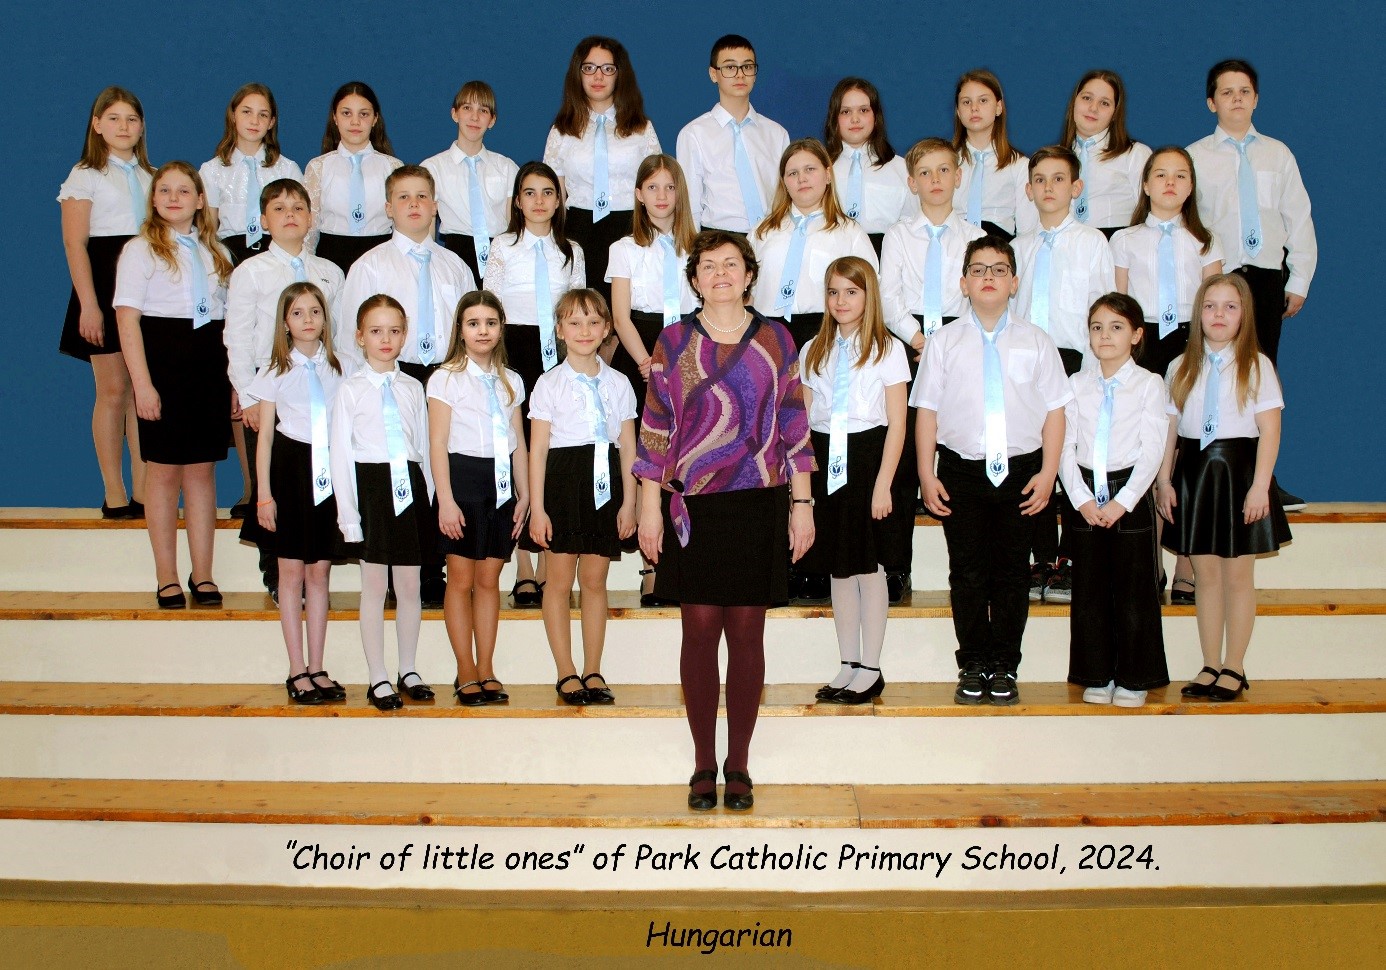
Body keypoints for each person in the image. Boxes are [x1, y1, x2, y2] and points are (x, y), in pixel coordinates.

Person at [634, 230, 814, 811]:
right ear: (694, 279)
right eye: (708, 266)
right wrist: (649, 508)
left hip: (759, 502)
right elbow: (655, 430)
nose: (720, 274)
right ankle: (702, 763)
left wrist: (803, 506)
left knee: (746, 634)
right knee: (699, 631)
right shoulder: (673, 341)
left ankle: (739, 763)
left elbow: (794, 426)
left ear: (749, 274)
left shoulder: (777, 339)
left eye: (731, 264)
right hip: (694, 506)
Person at [912, 236, 1071, 706]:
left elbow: (1056, 412)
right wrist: (926, 474)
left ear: (1014, 283)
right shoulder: (944, 342)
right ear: (963, 283)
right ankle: (973, 662)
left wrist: (1049, 473)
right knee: (966, 572)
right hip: (960, 472)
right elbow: (927, 412)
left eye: (999, 269)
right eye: (978, 269)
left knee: (1011, 574)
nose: (988, 277)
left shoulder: (1037, 341)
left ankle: (1004, 664)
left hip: (1022, 473)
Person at [1187, 59, 1315, 511]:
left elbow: (1298, 218)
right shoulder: (1196, 157)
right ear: (1211, 102)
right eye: (1226, 92)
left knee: (1260, 374)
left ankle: (1263, 481)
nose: (1236, 99)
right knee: (1208, 373)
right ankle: (1207, 473)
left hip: (1263, 278)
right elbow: (1189, 222)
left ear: (1256, 99)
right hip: (1217, 278)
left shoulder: (1277, 155)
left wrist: (1299, 278)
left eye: (1244, 91)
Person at [1157, 273, 1290, 702]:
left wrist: (1260, 486)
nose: (1219, 314)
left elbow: (1270, 430)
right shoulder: (1180, 366)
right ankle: (1210, 662)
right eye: (1210, 306)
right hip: (1195, 476)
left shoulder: (1257, 365)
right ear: (1198, 314)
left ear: (1244, 315)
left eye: (1230, 306)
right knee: (1206, 576)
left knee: (1237, 577)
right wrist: (1164, 481)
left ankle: (1235, 664)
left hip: (1239, 475)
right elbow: (1170, 431)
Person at [113, 161, 235, 609]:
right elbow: (127, 321)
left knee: (202, 472)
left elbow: (230, 326)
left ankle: (202, 574)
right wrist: (142, 385)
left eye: (184, 191)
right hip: (163, 365)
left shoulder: (217, 252)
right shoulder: (140, 250)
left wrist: (234, 382)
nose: (174, 198)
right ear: (153, 199)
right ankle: (166, 576)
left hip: (208, 366)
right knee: (163, 474)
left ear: (201, 200)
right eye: (164, 190)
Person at [1111, 147, 1223, 607]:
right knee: (1150, 447)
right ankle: (1149, 561)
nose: (1170, 183)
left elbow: (1216, 299)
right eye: (1160, 175)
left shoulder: (1206, 240)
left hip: (1192, 342)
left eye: (1180, 176)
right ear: (1145, 184)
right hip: (1145, 341)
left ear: (1191, 186)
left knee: (1186, 453)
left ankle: (1186, 566)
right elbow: (1118, 305)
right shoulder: (1125, 239)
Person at [227, 178, 346, 601]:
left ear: (311, 218)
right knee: (276, 481)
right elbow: (237, 335)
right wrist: (248, 395)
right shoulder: (251, 271)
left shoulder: (329, 272)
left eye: (298, 208)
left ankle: (316, 562)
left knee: (315, 484)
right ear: (264, 221)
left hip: (321, 387)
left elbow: (341, 336)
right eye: (279, 208)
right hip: (271, 387)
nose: (290, 215)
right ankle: (276, 572)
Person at [878, 137, 985, 604]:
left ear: (959, 177)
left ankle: (972, 565)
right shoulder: (898, 235)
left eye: (944, 170)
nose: (935, 180)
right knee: (904, 455)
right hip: (911, 343)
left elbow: (981, 294)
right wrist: (919, 339)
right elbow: (888, 296)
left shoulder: (976, 236)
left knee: (959, 444)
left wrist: (947, 345)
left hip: (962, 343)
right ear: (912, 182)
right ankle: (896, 566)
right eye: (925, 172)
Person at [799, 257, 908, 705]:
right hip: (826, 458)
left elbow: (898, 423)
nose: (841, 301)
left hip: (869, 458)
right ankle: (847, 663)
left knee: (869, 565)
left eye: (851, 291)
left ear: (869, 296)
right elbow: (803, 418)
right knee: (839, 567)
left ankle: (872, 667)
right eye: (833, 292)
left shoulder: (888, 348)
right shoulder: (813, 349)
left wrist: (883, 484)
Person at [1012, 145, 1115, 605]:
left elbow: (1103, 307)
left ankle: (1070, 559)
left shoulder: (1092, 243)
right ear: (1028, 189)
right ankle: (1038, 556)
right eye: (1040, 180)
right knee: (1033, 458)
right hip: (1027, 364)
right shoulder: (1019, 248)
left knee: (1072, 455)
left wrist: (1095, 372)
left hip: (1075, 361)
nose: (1048, 187)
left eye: (1058, 179)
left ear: (1076, 188)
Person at [482, 162, 586, 607]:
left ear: (559, 200)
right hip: (516, 351)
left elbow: (579, 309)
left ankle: (546, 559)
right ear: (517, 201)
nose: (539, 201)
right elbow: (490, 305)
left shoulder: (572, 251)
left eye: (547, 192)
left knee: (554, 451)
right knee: (519, 450)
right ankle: (522, 565)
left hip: (559, 354)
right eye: (530, 192)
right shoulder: (502, 246)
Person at [527, 289, 637, 705]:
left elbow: (628, 448)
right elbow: (538, 450)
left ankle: (593, 669)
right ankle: (565, 670)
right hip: (562, 484)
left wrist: (629, 503)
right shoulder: (548, 384)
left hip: (605, 484)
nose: (584, 330)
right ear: (559, 330)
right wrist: (538, 508)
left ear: (607, 328)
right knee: (558, 582)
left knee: (594, 581)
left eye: (593, 322)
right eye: (574, 322)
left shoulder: (619, 383)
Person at [1059, 293, 1169, 707]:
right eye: (1097, 327)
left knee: (1133, 589)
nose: (1105, 335)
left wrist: (1124, 501)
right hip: (1086, 492)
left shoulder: (1149, 384)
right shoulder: (1076, 384)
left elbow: (1153, 448)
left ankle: (1135, 677)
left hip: (1129, 493)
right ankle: (1097, 673)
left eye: (1116, 327)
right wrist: (1081, 499)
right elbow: (1065, 446)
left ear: (1137, 335)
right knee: (1090, 589)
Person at [329, 296, 436, 711]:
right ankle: (377, 676)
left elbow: (422, 447)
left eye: (394, 331)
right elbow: (340, 455)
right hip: (370, 488)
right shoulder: (350, 390)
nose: (385, 339)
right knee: (374, 586)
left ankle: (407, 669)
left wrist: (428, 500)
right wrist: (349, 516)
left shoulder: (412, 387)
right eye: (376, 331)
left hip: (408, 487)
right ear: (360, 337)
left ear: (405, 335)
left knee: (409, 585)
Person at [249, 283, 352, 704]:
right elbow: (265, 439)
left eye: (315, 311)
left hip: (329, 471)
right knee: (291, 575)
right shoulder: (274, 371)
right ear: (285, 322)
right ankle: (296, 669)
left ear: (325, 319)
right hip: (290, 471)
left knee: (320, 573)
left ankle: (318, 666)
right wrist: (264, 495)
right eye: (297, 313)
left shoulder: (342, 367)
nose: (307, 320)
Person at [605, 153, 699, 607]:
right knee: (650, 453)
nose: (662, 196)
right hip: (642, 349)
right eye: (653, 187)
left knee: (687, 451)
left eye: (670, 187)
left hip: (691, 348)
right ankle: (651, 567)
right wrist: (647, 363)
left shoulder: (698, 245)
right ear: (639, 195)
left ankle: (685, 559)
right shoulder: (624, 248)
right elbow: (620, 316)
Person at [428, 292, 529, 706]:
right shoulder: (445, 378)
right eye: (473, 323)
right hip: (462, 481)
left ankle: (486, 667)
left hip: (501, 486)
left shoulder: (512, 380)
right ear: (460, 330)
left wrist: (525, 493)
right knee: (461, 580)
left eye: (490, 322)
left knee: (489, 581)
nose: (482, 331)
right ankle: (465, 668)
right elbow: (437, 443)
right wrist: (446, 500)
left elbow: (518, 441)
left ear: (501, 328)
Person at [58, 86, 154, 519]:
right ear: (96, 125)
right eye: (113, 118)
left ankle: (144, 490)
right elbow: (75, 244)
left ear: (142, 127)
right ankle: (114, 491)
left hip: (145, 286)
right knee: (113, 390)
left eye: (131, 119)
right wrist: (89, 305)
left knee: (141, 389)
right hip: (102, 282)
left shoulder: (152, 176)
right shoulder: (85, 175)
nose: (123, 127)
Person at [544, 35, 660, 302]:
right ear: (578, 73)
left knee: (628, 309)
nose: (598, 76)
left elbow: (656, 185)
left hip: (631, 227)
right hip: (578, 230)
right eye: (589, 68)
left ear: (620, 74)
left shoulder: (642, 128)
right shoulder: (561, 130)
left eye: (608, 68)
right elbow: (554, 193)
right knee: (584, 311)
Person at [751, 139, 877, 351]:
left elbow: (870, 290)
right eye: (793, 173)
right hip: (767, 330)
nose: (802, 178)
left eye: (810, 169)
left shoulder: (849, 232)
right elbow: (746, 288)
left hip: (826, 330)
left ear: (827, 175)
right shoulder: (762, 232)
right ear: (784, 182)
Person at [675, 34, 789, 234]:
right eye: (730, 67)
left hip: (770, 236)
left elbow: (786, 197)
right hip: (717, 239)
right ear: (713, 74)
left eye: (747, 66)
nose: (740, 75)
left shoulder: (776, 134)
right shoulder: (694, 134)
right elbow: (689, 206)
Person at [423, 81, 519, 284]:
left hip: (500, 256)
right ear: (454, 114)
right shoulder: (433, 168)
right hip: (455, 254)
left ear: (492, 120)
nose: (475, 117)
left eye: (483, 110)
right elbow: (427, 227)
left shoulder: (507, 168)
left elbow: (514, 224)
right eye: (467, 108)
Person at [303, 82, 401, 273]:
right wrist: (307, 269)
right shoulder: (318, 167)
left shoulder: (393, 167)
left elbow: (401, 225)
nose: (355, 122)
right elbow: (309, 228)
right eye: (346, 113)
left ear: (375, 118)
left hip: (380, 258)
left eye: (363, 114)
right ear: (335, 117)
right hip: (330, 258)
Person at [200, 83, 303, 265]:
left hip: (277, 258)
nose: (254, 121)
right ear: (233, 115)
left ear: (271, 122)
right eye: (246, 112)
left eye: (263, 115)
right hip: (228, 258)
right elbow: (207, 229)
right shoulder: (212, 170)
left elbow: (299, 223)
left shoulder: (287, 169)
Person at [822, 77, 913, 256]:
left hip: (884, 258)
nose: (855, 119)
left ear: (876, 117)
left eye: (863, 110)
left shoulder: (901, 169)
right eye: (845, 112)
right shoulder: (821, 169)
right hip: (831, 254)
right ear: (834, 119)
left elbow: (911, 226)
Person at [1059, 70, 1151, 236]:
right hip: (1067, 244)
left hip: (1117, 244)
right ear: (1074, 102)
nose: (1093, 108)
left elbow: (1151, 212)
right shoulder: (1054, 158)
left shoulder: (1135, 154)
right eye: (1087, 98)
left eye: (1104, 103)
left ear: (1115, 113)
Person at [951, 69, 1034, 240]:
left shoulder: (1019, 166)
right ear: (958, 112)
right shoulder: (946, 164)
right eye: (966, 102)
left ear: (998, 107)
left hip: (1000, 248)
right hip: (953, 246)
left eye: (983, 100)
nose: (974, 108)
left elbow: (1027, 231)